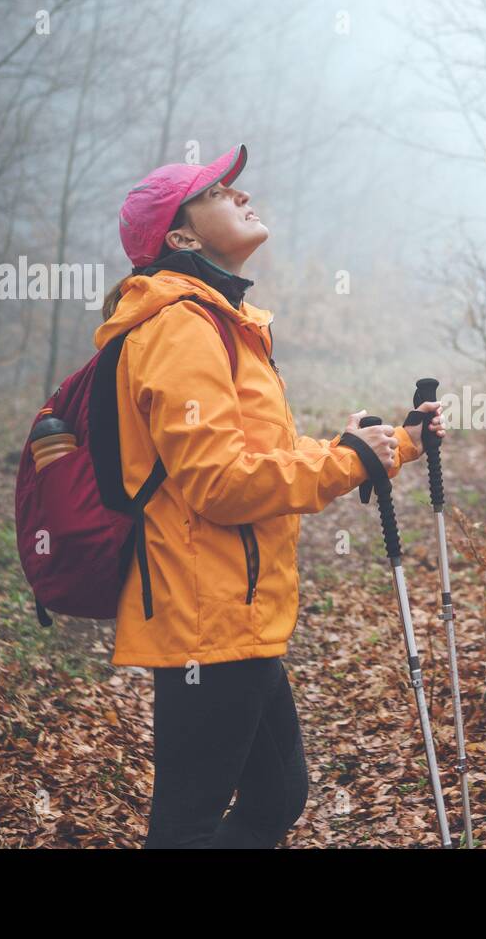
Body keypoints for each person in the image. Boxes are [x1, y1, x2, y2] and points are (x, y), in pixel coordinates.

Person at [96, 143, 446, 848]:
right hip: (208, 618)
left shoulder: (217, 322)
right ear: (181, 236)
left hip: (238, 611)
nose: (243, 196)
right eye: (221, 192)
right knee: (188, 825)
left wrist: (391, 445)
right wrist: (347, 458)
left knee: (278, 794)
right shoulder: (178, 328)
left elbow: (259, 460)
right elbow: (219, 482)